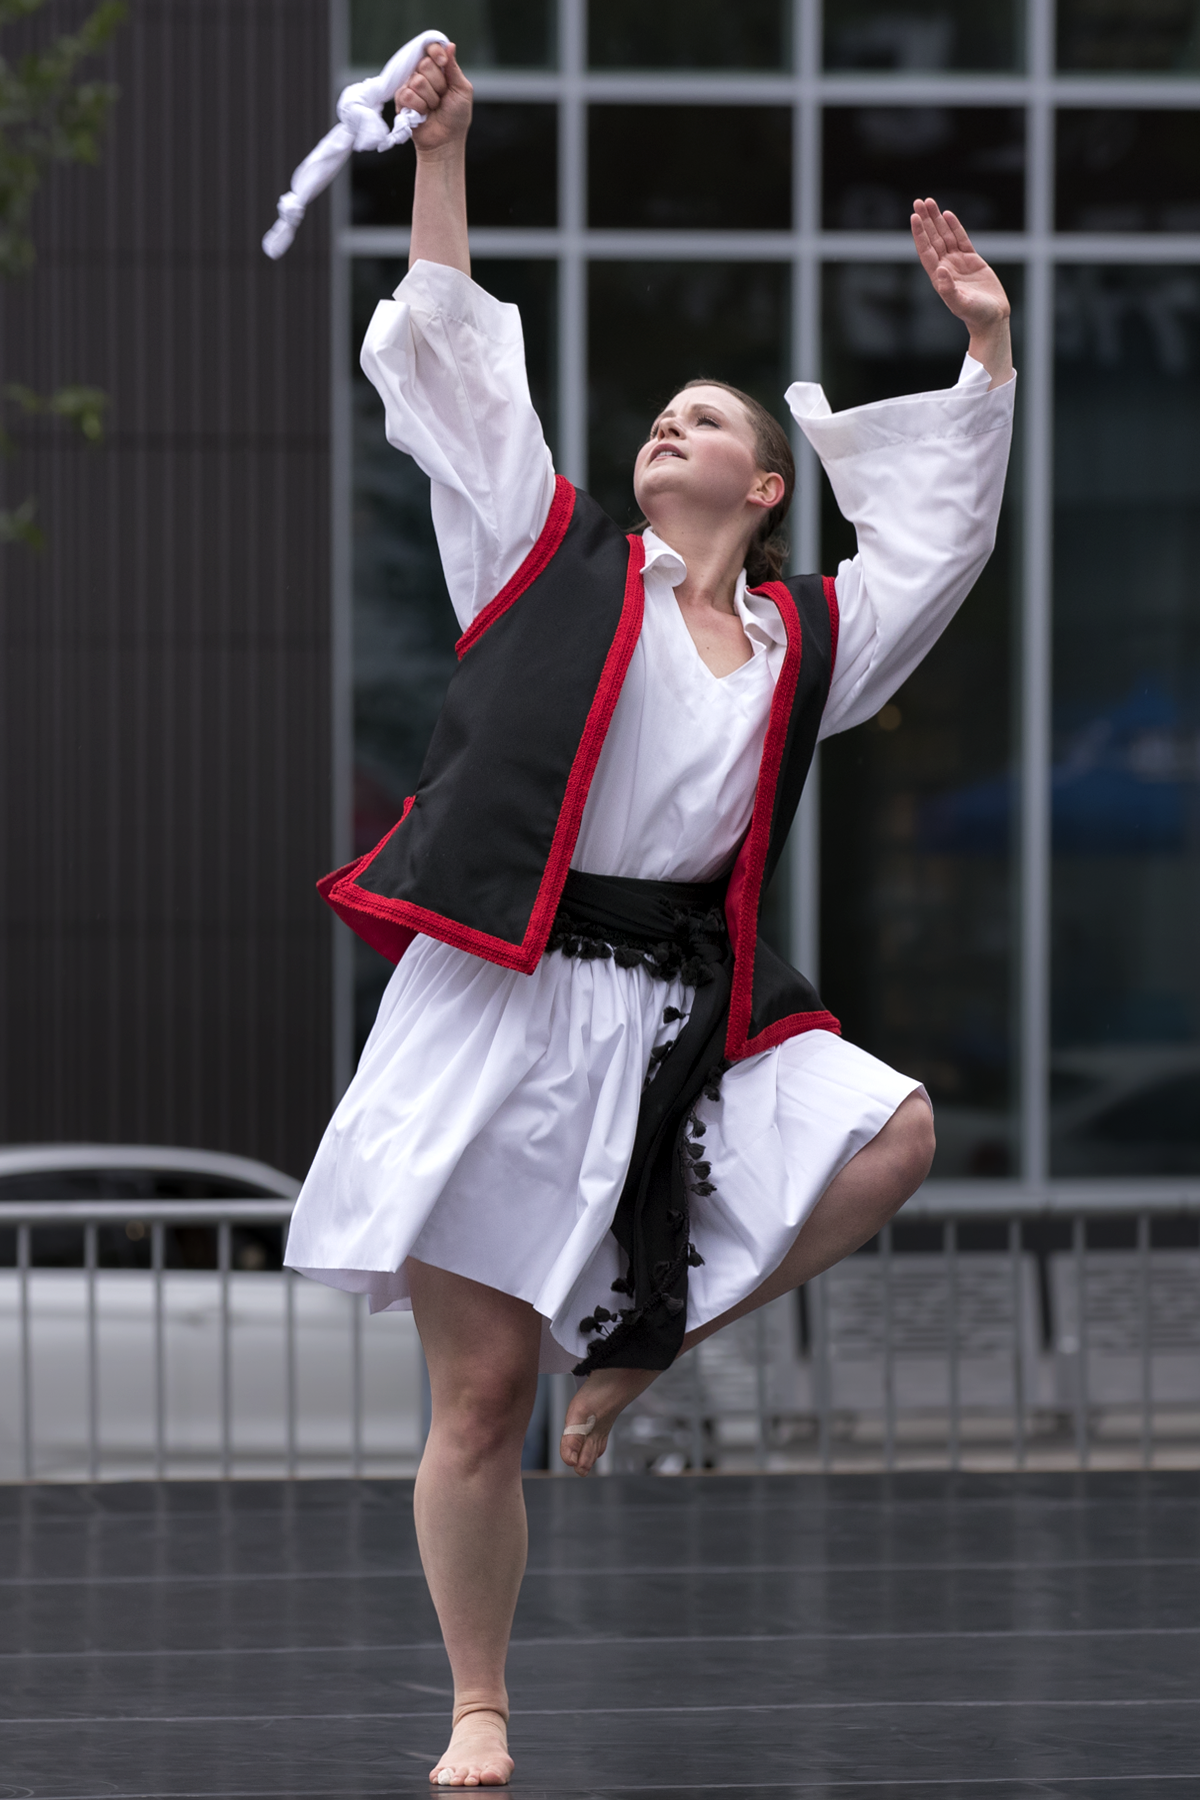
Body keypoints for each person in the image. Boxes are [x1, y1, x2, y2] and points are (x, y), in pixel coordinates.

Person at [284, 40, 1016, 1790]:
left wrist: (986, 349)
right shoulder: (538, 559)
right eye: (663, 414)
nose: (668, 427)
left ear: (768, 494)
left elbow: (934, 555)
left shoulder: (802, 650)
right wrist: (441, 158)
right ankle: (481, 1703)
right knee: (477, 1405)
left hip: (682, 1013)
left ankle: (648, 1345)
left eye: (710, 421)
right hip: (509, 1001)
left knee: (894, 1134)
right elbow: (461, 374)